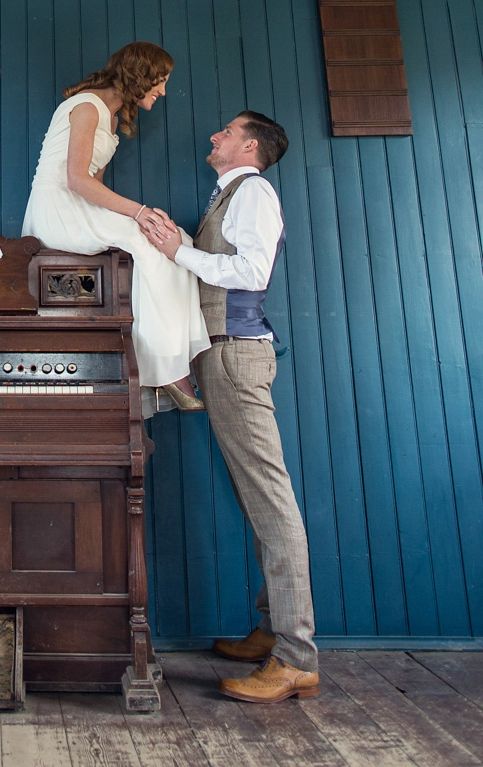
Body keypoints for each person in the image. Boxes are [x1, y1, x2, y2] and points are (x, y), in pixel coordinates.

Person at [147, 110, 319, 702]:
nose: (214, 135)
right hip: (223, 357)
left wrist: (179, 252)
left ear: (249, 145)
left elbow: (251, 271)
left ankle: (297, 657)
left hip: (239, 355)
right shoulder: (231, 196)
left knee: (271, 502)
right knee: (256, 497)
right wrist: (182, 244)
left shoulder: (255, 192)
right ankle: (273, 630)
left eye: (226, 130)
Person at [22, 42, 209, 413]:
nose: (163, 91)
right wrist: (138, 213)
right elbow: (77, 180)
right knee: (153, 246)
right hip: (56, 209)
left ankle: (174, 359)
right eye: (160, 81)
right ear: (139, 76)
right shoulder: (87, 107)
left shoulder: (111, 118)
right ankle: (165, 370)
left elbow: (96, 189)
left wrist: (141, 217)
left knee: (175, 239)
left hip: (80, 206)